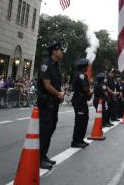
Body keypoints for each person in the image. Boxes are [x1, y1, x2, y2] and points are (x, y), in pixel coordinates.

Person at [37, 41, 65, 169]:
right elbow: (47, 86)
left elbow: (57, 84)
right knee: (45, 128)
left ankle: (43, 155)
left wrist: (60, 93)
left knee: (52, 127)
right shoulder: (46, 64)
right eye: (60, 50)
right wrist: (59, 94)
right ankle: (39, 158)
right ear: (54, 51)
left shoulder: (56, 65)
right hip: (46, 101)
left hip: (53, 102)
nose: (62, 52)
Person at [71, 59, 91, 148]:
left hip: (82, 100)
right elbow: (86, 89)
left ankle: (80, 139)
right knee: (80, 121)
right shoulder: (81, 75)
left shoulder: (82, 75)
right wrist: (89, 93)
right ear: (84, 66)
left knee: (84, 119)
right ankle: (76, 141)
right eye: (87, 66)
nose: (88, 67)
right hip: (79, 100)